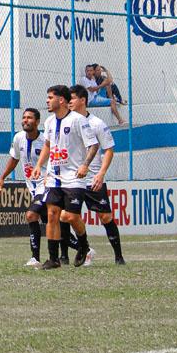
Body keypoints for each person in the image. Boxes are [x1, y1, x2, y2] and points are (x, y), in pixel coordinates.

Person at [31, 85, 98, 270]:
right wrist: (39, 166)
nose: (47, 101)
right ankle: (53, 259)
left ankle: (83, 245)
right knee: (52, 215)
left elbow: (93, 145)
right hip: (54, 176)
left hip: (74, 177)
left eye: (50, 97)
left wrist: (85, 164)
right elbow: (47, 145)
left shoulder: (78, 120)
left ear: (61, 100)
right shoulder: (50, 122)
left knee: (69, 216)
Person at [69, 85, 125, 265]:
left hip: (92, 179)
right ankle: (78, 252)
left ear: (82, 100)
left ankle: (118, 257)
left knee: (105, 217)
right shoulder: (65, 123)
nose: (69, 102)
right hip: (71, 180)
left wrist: (101, 174)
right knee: (66, 216)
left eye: (72, 98)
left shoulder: (97, 123)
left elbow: (109, 149)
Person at [0, 108, 48, 267]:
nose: (26, 120)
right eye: (24, 117)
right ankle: (84, 249)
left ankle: (35, 258)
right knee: (52, 224)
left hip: (45, 185)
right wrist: (2, 177)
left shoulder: (46, 140)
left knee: (31, 215)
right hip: (33, 187)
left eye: (30, 118)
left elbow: (54, 161)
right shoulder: (18, 138)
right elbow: (14, 158)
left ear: (37, 122)